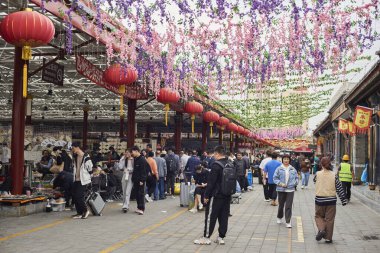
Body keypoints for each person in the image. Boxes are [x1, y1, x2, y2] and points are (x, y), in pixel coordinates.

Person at [194, 146, 232, 246]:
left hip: (216, 195)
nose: (214, 156)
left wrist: (206, 196)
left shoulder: (216, 165)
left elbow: (211, 183)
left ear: (218, 154)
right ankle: (221, 237)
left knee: (210, 216)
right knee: (224, 216)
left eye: (215, 154)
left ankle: (206, 237)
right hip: (227, 194)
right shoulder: (230, 163)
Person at [314, 157, 347, 243]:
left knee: (319, 216)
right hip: (331, 200)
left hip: (319, 200)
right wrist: (343, 200)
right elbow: (339, 188)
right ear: (330, 164)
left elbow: (314, 181)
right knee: (330, 219)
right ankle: (328, 238)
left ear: (321, 164)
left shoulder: (317, 174)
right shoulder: (334, 175)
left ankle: (321, 230)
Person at [273, 154, 299, 228]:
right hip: (281, 189)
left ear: (289, 160)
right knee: (281, 205)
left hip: (290, 190)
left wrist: (295, 183)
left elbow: (297, 178)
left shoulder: (293, 169)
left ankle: (288, 221)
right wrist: (280, 183)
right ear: (282, 160)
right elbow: (275, 178)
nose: (286, 160)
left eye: (287, 159)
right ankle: (279, 216)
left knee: (288, 206)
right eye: (285, 159)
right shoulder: (279, 168)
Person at [71, 142, 93, 219]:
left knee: (79, 196)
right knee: (74, 196)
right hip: (76, 179)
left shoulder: (86, 157)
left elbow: (90, 168)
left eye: (73, 147)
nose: (72, 149)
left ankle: (85, 210)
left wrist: (88, 176)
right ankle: (79, 213)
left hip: (83, 180)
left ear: (77, 147)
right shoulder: (75, 156)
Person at [131, 146, 148, 215]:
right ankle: (138, 207)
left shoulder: (142, 159)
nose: (132, 153)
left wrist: (142, 180)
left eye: (132, 152)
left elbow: (144, 171)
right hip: (135, 179)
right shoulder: (136, 159)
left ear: (136, 151)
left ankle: (142, 208)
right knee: (137, 194)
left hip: (140, 180)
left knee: (141, 194)